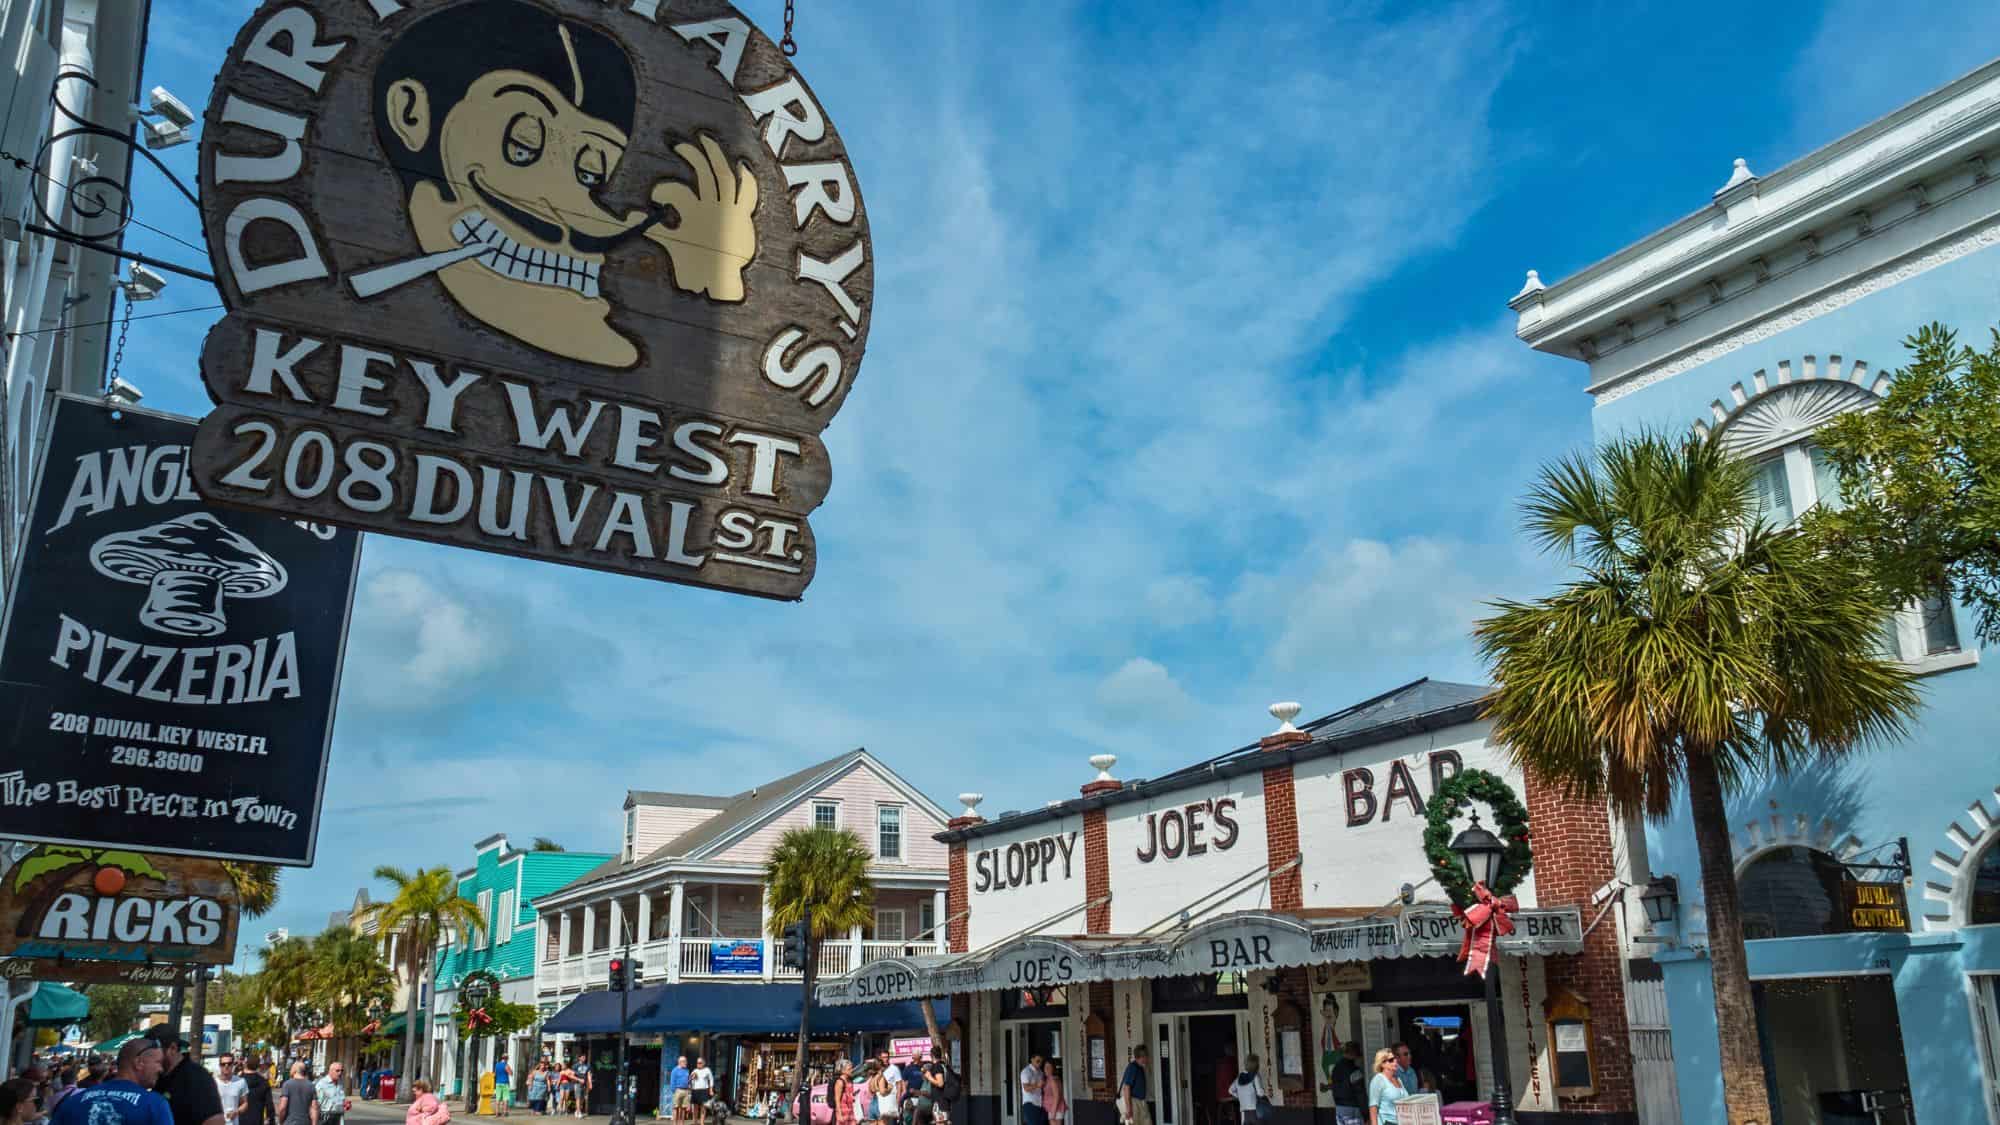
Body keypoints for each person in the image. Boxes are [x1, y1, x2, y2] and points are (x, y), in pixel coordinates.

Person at [50, 1040, 173, 1125]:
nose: (161, 1069)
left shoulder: (73, 1101)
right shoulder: (154, 1105)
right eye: (158, 1062)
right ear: (139, 1063)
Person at [146, 1028, 221, 1125]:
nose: (150, 1056)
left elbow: (216, 1121)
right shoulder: (159, 1077)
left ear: (172, 1048)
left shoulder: (197, 1077)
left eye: (154, 1051)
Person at [1365, 1051, 1405, 1125]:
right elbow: (1373, 1106)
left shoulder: (1398, 1079)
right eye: (1391, 1060)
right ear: (1382, 1064)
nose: (1395, 1061)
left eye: (1395, 1058)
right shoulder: (1378, 1080)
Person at [1328, 1044, 1365, 1125]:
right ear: (1354, 1054)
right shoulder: (1354, 1070)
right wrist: (1366, 1114)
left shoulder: (1335, 1068)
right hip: (1353, 1108)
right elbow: (1360, 1092)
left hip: (1339, 1108)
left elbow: (1334, 1086)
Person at [1229, 1056, 1266, 1125]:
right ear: (1256, 1065)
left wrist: (1239, 1096)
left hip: (1244, 1111)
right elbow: (1260, 1093)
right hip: (1255, 1110)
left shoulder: (1239, 1077)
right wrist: (1263, 1091)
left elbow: (1230, 1090)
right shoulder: (1255, 1076)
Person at [1118, 1048, 1150, 1125]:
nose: (1148, 1058)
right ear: (1142, 1057)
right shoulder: (1133, 1067)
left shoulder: (1140, 1068)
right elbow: (1126, 1087)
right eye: (1146, 1056)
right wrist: (1129, 1108)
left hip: (1141, 1102)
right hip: (1133, 1102)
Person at [239, 1060, 276, 1125]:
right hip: (257, 1120)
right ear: (257, 1066)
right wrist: (271, 1120)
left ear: (246, 1065)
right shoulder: (264, 1082)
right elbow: (269, 1105)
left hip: (240, 1120)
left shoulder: (238, 1081)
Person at [216, 1056, 249, 1125]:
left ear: (233, 1065)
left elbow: (245, 1103)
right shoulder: (213, 1082)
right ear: (219, 1066)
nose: (226, 1066)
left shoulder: (241, 1081)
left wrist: (236, 1112)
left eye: (229, 1063)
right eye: (223, 1064)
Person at [1015, 1054, 1042, 1125]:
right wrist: (1037, 1085)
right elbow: (1026, 1088)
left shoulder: (1040, 1072)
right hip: (1030, 1104)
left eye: (1041, 1062)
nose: (1039, 1064)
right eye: (1038, 1061)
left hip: (1040, 1104)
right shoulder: (1026, 1072)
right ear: (1032, 1060)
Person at [1039, 1061, 1065, 1125]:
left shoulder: (1053, 1079)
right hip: (1052, 1108)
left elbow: (1057, 1096)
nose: (1046, 1069)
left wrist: (1053, 1112)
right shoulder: (1049, 1078)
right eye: (1045, 1067)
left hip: (1055, 1108)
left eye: (1049, 1067)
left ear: (1053, 1069)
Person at [667, 1056, 690, 1124]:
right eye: (685, 1061)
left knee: (683, 1108)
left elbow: (687, 1081)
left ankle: (682, 1123)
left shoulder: (687, 1070)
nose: (686, 1062)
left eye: (686, 1061)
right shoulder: (675, 1070)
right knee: (675, 1108)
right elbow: (672, 1081)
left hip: (685, 1090)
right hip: (678, 1090)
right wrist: (674, 1091)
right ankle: (675, 1124)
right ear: (680, 1062)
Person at [831, 1061, 854, 1125]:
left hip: (850, 1110)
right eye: (849, 1069)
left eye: (851, 1068)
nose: (851, 1070)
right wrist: (839, 1114)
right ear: (843, 1071)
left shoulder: (850, 1080)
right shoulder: (840, 1082)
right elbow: (837, 1099)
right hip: (843, 1111)